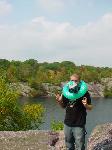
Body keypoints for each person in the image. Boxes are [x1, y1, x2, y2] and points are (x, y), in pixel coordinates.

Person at [56, 74, 93, 150]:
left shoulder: (84, 93)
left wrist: (86, 105)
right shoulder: (66, 93)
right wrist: (59, 101)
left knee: (80, 145)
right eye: (72, 80)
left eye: (75, 80)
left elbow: (91, 107)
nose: (73, 82)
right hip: (67, 123)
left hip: (79, 124)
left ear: (79, 81)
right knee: (68, 144)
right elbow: (63, 106)